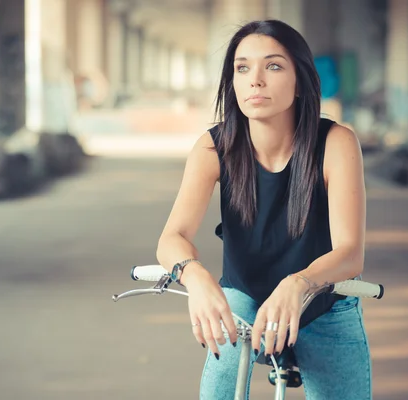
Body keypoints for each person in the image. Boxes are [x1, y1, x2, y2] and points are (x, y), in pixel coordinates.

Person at [155, 20, 371, 400]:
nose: (255, 79)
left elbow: (350, 253)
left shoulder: (336, 142)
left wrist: (298, 283)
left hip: (323, 299)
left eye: (273, 66)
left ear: (300, 81)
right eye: (242, 68)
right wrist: (196, 278)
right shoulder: (213, 148)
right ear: (232, 81)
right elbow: (173, 237)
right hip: (244, 295)